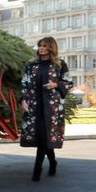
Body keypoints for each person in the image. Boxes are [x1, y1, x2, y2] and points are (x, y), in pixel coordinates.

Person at [20, 36, 73, 182]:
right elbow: (24, 83)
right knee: (43, 137)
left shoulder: (60, 65)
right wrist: (23, 99)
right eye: (40, 45)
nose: (41, 48)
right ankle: (53, 162)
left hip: (52, 108)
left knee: (44, 136)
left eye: (44, 46)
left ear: (51, 48)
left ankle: (37, 170)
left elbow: (68, 82)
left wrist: (56, 85)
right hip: (35, 106)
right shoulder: (31, 65)